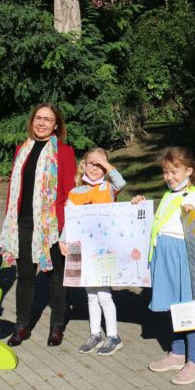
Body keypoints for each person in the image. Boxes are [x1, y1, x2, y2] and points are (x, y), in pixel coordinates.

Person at [0, 103, 76, 348]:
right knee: (26, 277)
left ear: (56, 125)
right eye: (38, 118)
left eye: (48, 119)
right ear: (32, 121)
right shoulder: (23, 149)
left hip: (51, 226)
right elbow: (15, 188)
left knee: (55, 277)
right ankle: (22, 326)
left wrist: (64, 230)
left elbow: (69, 193)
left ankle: (57, 326)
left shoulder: (64, 152)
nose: (42, 123)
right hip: (22, 223)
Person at [131, 147, 195, 385]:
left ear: (189, 171)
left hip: (182, 257)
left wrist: (193, 213)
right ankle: (177, 352)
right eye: (166, 172)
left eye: (175, 171)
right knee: (173, 307)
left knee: (186, 307)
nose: (169, 177)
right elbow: (160, 223)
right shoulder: (168, 195)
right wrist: (141, 206)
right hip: (164, 254)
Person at [60, 147, 126, 356]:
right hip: (82, 249)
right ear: (84, 165)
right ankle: (95, 333)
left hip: (103, 250)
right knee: (90, 295)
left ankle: (114, 336)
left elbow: (121, 182)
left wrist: (106, 165)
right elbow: (69, 219)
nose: (95, 168)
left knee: (104, 294)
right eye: (91, 163)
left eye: (99, 164)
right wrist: (63, 240)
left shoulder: (108, 188)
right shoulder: (75, 192)